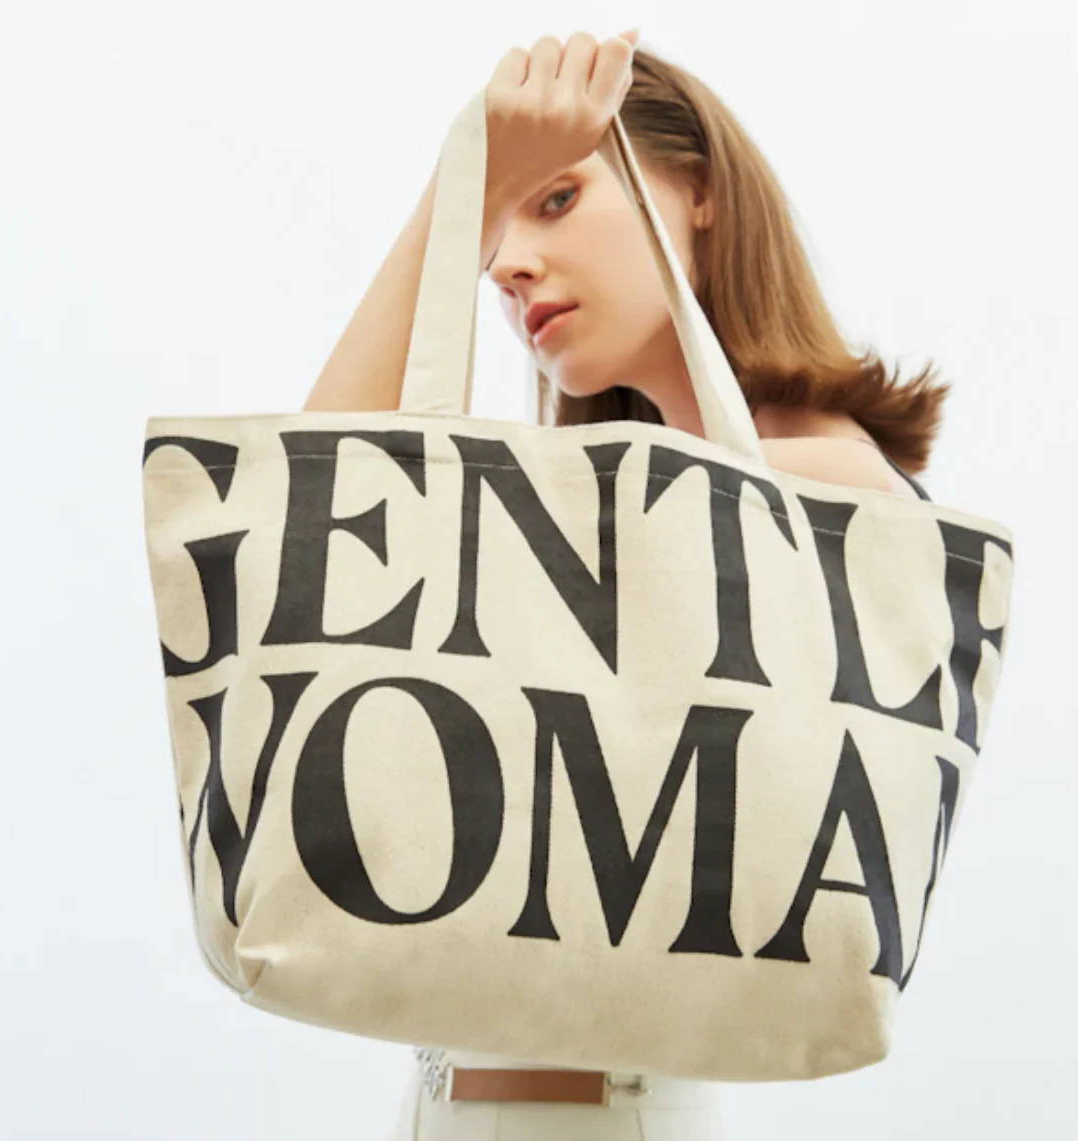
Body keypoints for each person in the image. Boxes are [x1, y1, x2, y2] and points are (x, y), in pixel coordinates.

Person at [305, 28, 939, 1140]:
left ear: (694, 190)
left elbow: (327, 511)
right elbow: (313, 528)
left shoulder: (837, 484)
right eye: (494, 230)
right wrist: (467, 193)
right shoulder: (590, 514)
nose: (503, 261)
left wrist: (470, 184)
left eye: (553, 200)